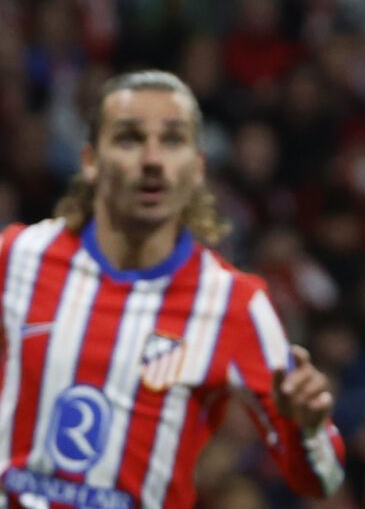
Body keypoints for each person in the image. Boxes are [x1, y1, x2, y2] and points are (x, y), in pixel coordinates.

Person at [0, 70, 345, 509]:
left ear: (197, 167)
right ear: (90, 160)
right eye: (128, 138)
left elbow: (324, 481)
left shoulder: (232, 304)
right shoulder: (16, 258)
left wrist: (307, 430)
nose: (152, 159)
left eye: (173, 140)